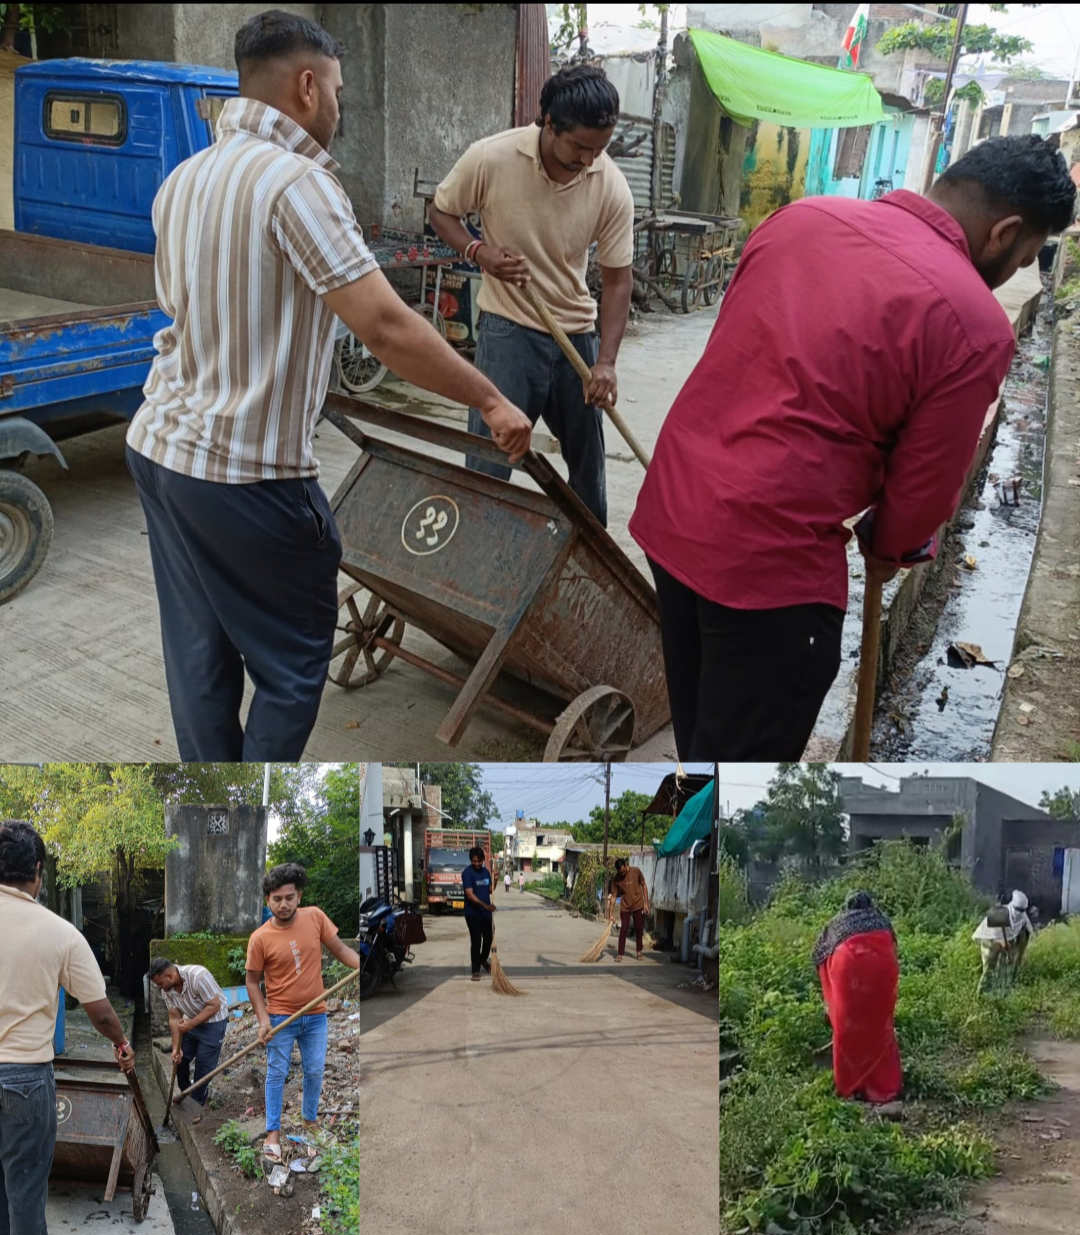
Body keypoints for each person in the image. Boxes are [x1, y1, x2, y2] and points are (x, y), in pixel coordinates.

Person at [125, 10, 532, 764]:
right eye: (338, 90)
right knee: (291, 668)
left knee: (198, 655)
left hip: (159, 449)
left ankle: (220, 799)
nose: (341, 107)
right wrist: (488, 397)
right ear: (306, 87)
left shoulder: (184, 178)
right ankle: (254, 804)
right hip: (246, 474)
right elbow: (384, 325)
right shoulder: (298, 184)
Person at [629, 135, 1077, 761]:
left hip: (673, 517)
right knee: (744, 771)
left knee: (705, 740)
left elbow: (743, 356)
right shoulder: (972, 322)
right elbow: (923, 492)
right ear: (1005, 231)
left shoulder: (800, 219)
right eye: (1031, 254)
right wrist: (891, 546)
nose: (1022, 270)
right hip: (769, 567)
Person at [429, 64, 634, 527]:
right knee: (489, 462)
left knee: (587, 471)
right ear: (547, 122)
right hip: (507, 331)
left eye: (599, 148)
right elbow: (442, 213)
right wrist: (478, 251)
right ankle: (476, 552)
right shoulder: (491, 158)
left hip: (575, 335)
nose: (588, 160)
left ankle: (590, 566)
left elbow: (618, 280)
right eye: (579, 146)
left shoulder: (611, 183)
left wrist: (606, 362)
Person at [0, 820, 135, 1235]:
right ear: (37, 870)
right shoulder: (60, 933)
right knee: (26, 1179)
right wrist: (122, 1043)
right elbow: (98, 1009)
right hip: (24, 1077)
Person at [245, 861, 360, 1160]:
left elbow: (341, 950)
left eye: (289, 898)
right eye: (277, 899)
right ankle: (272, 1133)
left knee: (314, 1069)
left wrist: (363, 964)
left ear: (299, 896)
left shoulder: (315, 918)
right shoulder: (259, 938)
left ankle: (310, 1121)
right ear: (267, 900)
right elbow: (252, 982)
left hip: (316, 1016)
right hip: (281, 1018)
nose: (283, 905)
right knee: (277, 1072)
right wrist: (262, 1021)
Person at [812, 891, 902, 1105]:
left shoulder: (836, 924)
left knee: (847, 1029)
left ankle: (849, 1085)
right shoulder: (882, 921)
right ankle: (883, 1086)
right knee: (879, 1028)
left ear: (847, 906)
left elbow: (818, 956)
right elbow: (894, 951)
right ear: (871, 905)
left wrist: (830, 999)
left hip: (847, 974)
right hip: (880, 972)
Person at [148, 957, 229, 1122]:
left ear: (169, 976)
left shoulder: (199, 976)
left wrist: (191, 1024)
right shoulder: (167, 990)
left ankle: (197, 1104)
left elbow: (214, 1005)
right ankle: (186, 1093)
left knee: (203, 1068)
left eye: (159, 983)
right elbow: (174, 1017)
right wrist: (176, 1048)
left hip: (214, 1022)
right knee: (180, 1060)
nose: (158, 988)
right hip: (191, 1020)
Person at [972, 889, 1034, 995]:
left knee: (1006, 970)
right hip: (991, 944)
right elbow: (988, 935)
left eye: (1022, 910)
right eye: (1018, 910)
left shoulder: (1022, 916)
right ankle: (982, 994)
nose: (1019, 913)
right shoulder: (998, 914)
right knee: (989, 970)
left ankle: (1002, 993)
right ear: (1012, 906)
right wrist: (1000, 943)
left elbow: (1027, 930)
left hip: (1009, 946)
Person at [461, 846, 496, 981]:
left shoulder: (486, 872)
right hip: (473, 914)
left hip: (486, 914)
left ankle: (483, 959)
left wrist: (496, 879)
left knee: (489, 938)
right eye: (474, 861)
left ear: (483, 860)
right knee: (476, 941)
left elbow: (490, 890)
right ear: (471, 860)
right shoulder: (467, 873)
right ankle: (475, 969)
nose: (476, 864)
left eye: (479, 861)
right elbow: (469, 895)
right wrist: (486, 906)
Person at [608, 857, 649, 962]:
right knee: (623, 929)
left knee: (639, 928)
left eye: (623, 871)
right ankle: (620, 954)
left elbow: (643, 885)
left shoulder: (636, 871)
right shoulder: (616, 878)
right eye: (620, 872)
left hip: (638, 904)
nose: (622, 874)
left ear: (626, 865)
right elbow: (613, 896)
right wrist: (610, 913)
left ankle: (639, 952)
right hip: (625, 906)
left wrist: (646, 903)